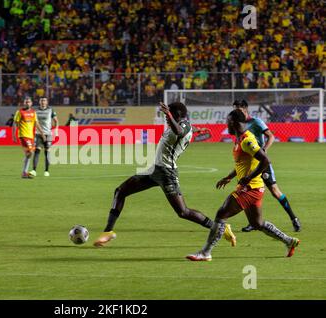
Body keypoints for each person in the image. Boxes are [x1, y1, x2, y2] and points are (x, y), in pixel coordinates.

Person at [93, 102, 236, 247]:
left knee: (183, 212)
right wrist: (198, 129)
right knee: (120, 191)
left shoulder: (181, 126)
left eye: (169, 114)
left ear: (176, 115)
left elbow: (180, 131)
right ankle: (108, 231)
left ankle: (219, 228)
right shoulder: (184, 125)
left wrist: (169, 115)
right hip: (154, 170)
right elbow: (186, 128)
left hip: (167, 172)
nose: (166, 118)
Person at [186, 110, 300, 261]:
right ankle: (289, 241)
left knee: (221, 214)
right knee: (257, 223)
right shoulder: (239, 140)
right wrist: (229, 177)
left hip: (250, 189)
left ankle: (206, 252)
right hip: (255, 188)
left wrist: (248, 178)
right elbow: (242, 163)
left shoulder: (247, 140)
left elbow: (265, 161)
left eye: (227, 121)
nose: (226, 124)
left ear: (233, 122)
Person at [233, 100, 301, 232]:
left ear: (245, 109)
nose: (236, 112)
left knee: (275, 192)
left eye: (238, 109)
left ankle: (294, 218)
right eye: (234, 109)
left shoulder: (256, 122)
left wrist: (264, 149)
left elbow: (271, 136)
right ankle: (253, 222)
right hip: (249, 164)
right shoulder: (239, 125)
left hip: (261, 162)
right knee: (246, 190)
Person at [12, 97, 46, 178]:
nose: (27, 103)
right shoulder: (20, 112)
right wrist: (14, 135)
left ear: (31, 103)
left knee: (29, 154)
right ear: (24, 103)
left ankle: (24, 173)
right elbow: (15, 124)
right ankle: (24, 172)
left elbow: (36, 124)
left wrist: (42, 134)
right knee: (30, 152)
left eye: (29, 102)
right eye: (26, 102)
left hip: (31, 136)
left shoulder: (33, 113)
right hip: (23, 135)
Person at [31, 97, 58, 177]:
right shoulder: (35, 111)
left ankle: (46, 171)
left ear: (47, 102)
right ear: (39, 102)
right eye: (41, 100)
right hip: (38, 134)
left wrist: (55, 130)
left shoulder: (51, 110)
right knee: (37, 151)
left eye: (44, 100)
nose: (43, 102)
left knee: (47, 152)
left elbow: (56, 121)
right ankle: (34, 170)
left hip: (48, 134)